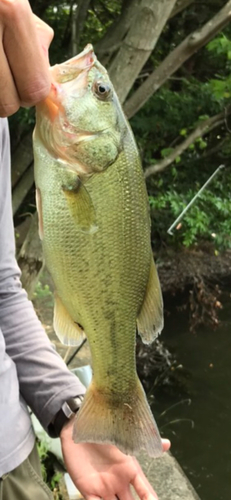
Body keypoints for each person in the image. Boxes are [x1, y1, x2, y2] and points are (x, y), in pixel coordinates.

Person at [0, 1, 170, 499]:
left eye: (97, 92)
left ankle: (116, 395)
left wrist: (66, 409)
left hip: (9, 459)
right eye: (101, 91)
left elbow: (2, 289)